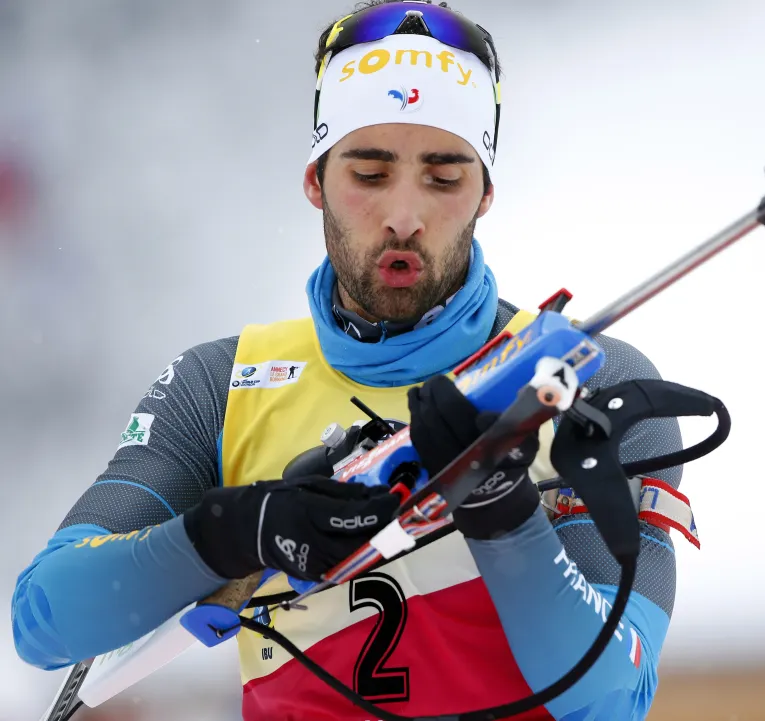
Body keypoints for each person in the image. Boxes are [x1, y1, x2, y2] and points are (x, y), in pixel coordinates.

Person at [11, 2, 699, 719]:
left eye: (443, 176)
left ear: (485, 192)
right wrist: (233, 530)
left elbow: (612, 697)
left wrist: (499, 505)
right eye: (369, 173)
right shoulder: (220, 385)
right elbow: (46, 620)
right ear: (315, 179)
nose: (404, 214)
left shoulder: (588, 377)